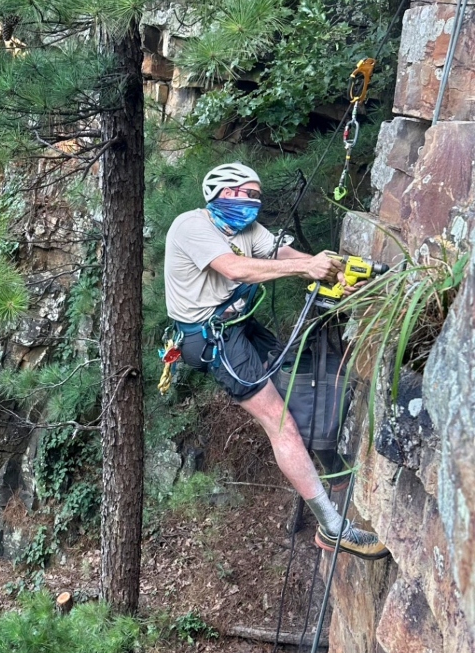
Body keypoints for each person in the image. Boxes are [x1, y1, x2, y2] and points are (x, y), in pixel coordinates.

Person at [163, 162, 388, 560]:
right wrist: (305, 266)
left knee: (294, 379)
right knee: (279, 423)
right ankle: (332, 527)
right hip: (211, 337)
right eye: (247, 194)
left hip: (238, 324)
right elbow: (235, 268)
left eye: (257, 196)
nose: (254, 202)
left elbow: (282, 251)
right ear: (223, 192)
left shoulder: (248, 229)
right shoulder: (190, 225)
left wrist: (328, 271)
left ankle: (329, 468)